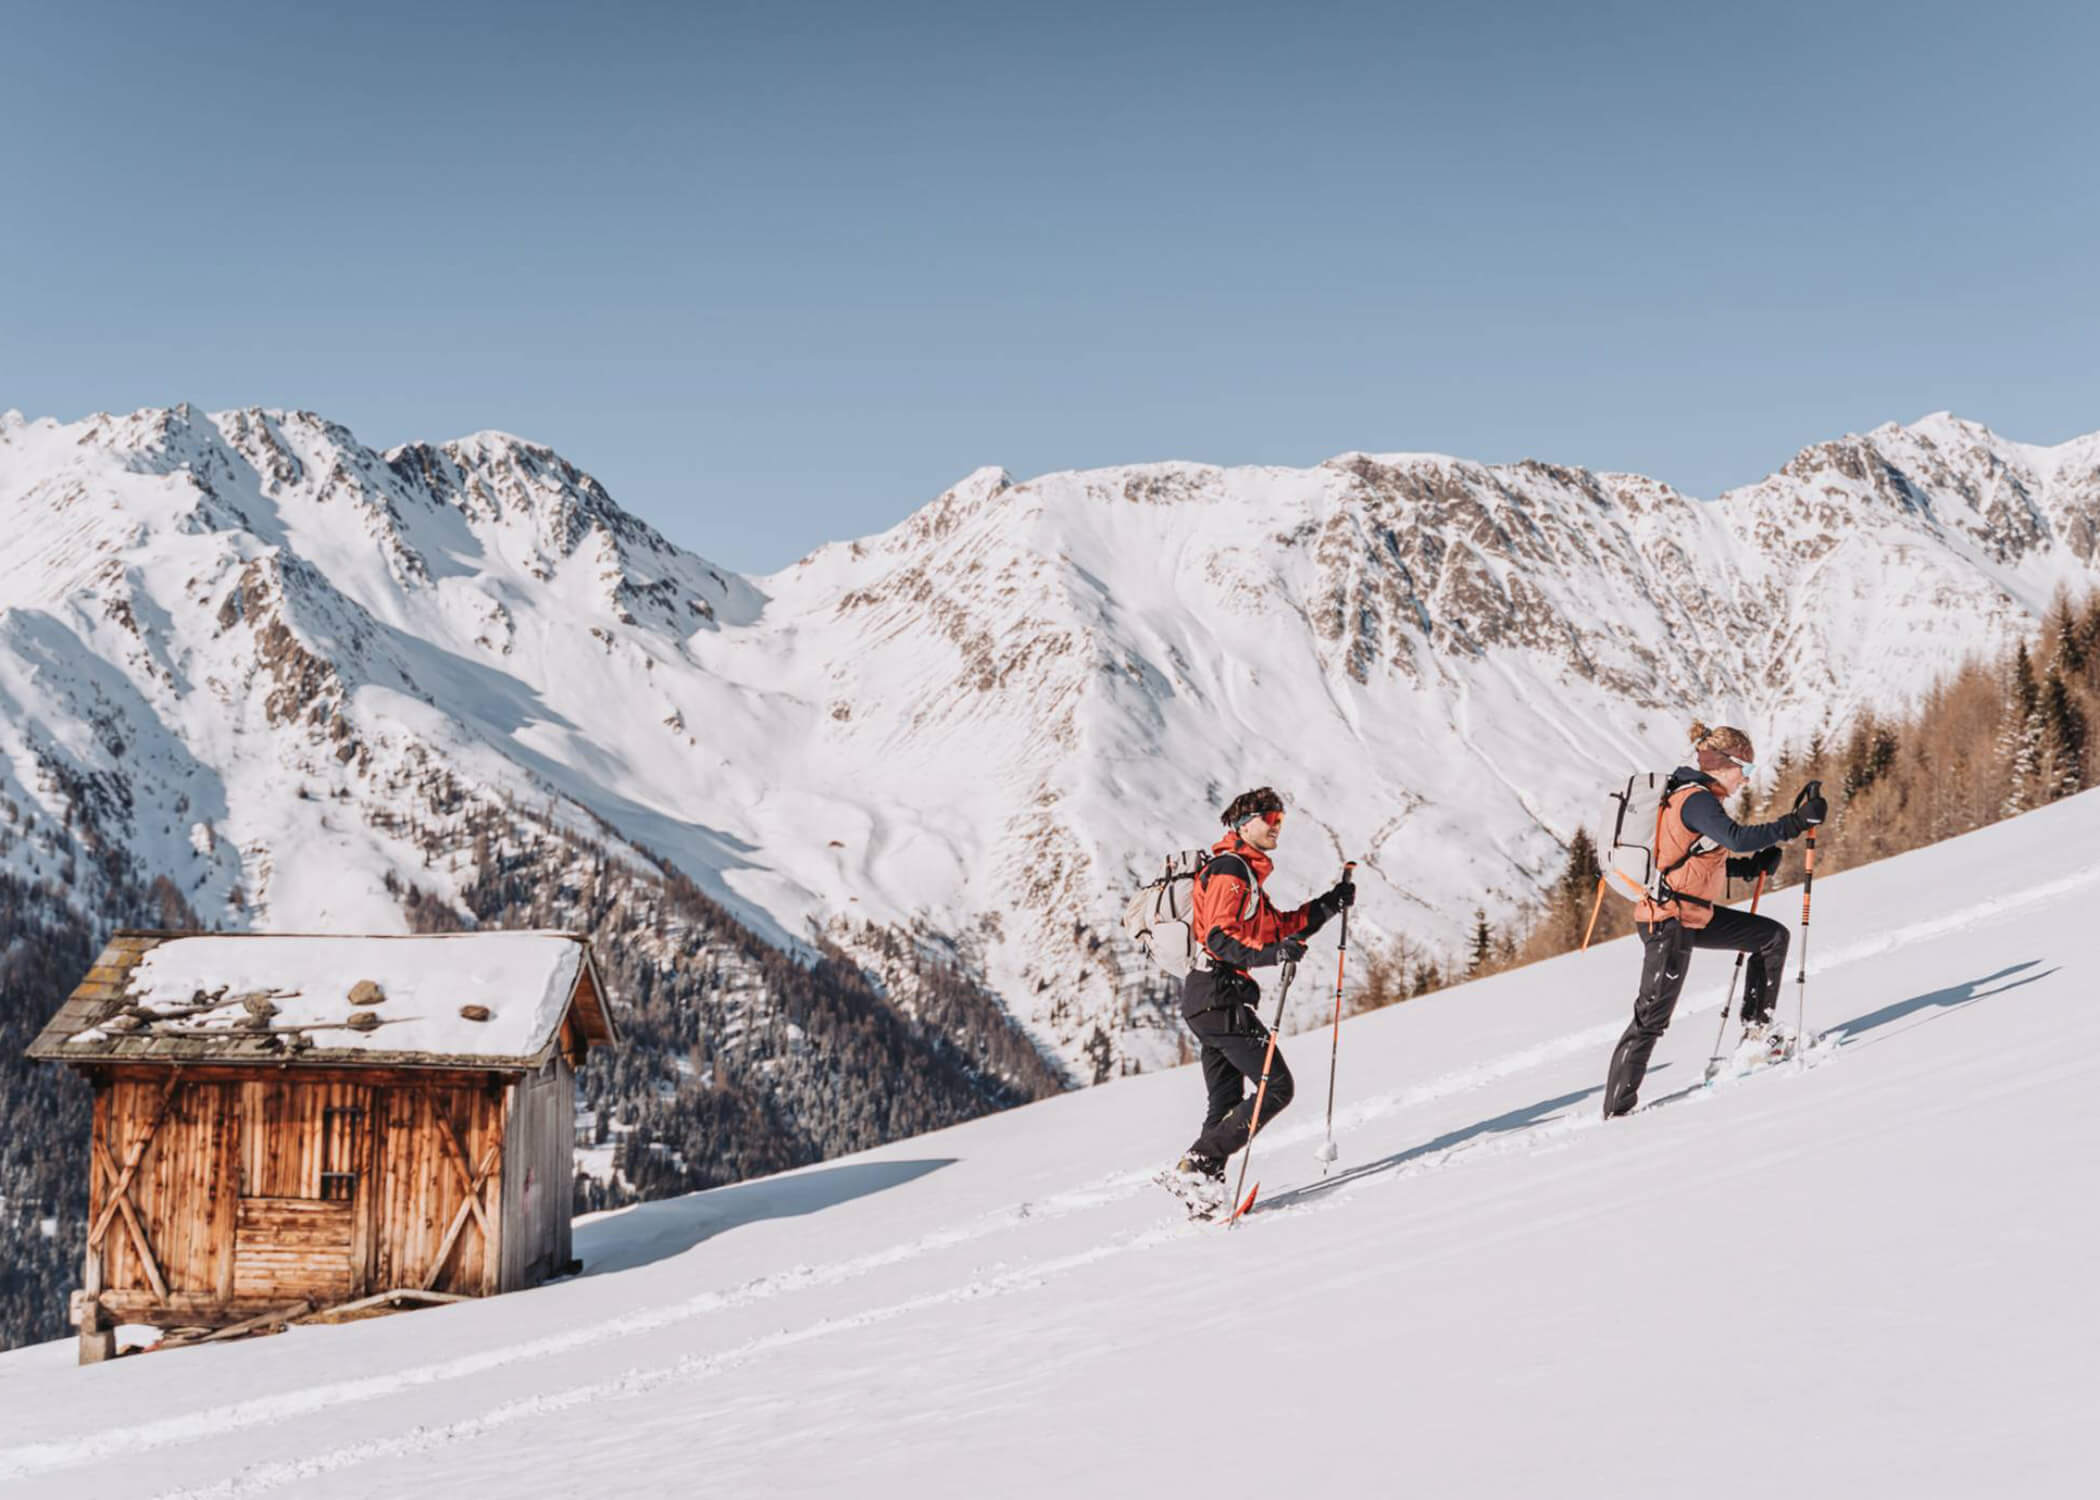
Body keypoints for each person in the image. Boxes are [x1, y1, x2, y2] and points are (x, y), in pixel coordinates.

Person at [1603, 722, 1826, 1117]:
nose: (1746, 780)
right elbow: (1735, 838)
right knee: (1651, 1017)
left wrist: (1751, 867)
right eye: (1748, 769)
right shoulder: (1696, 799)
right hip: (1668, 920)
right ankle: (1617, 1112)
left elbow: (1696, 860)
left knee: (1771, 937)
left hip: (1692, 913)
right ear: (1724, 763)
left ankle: (1758, 1033)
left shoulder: (1696, 799)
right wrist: (1795, 823)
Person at [1167, 787, 1354, 1206]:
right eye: (1270, 819)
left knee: (1226, 1102)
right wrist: (1272, 956)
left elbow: (1280, 928)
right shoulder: (1231, 871)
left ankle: (1200, 1190)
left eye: (1281, 820)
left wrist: (1329, 904)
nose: (1276, 827)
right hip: (1218, 995)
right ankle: (1200, 1164)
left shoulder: (1246, 876)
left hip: (1208, 999)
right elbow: (1218, 937)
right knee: (1277, 1087)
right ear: (1243, 823)